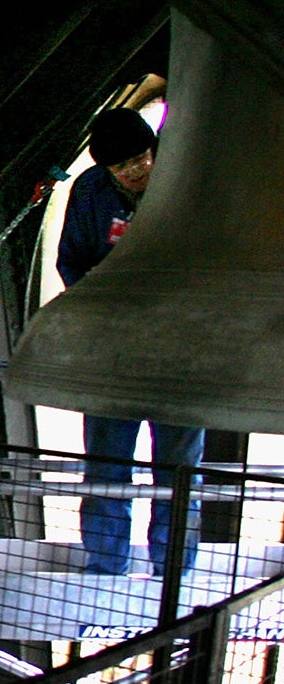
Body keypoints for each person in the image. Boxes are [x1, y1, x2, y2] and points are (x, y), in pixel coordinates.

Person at [55, 105, 203, 574]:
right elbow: (71, 262)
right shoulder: (90, 193)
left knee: (179, 468)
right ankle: (105, 563)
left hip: (181, 349)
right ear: (106, 169)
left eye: (143, 159)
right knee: (105, 463)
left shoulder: (187, 184)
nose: (137, 171)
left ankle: (173, 566)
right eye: (123, 167)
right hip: (110, 350)